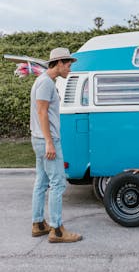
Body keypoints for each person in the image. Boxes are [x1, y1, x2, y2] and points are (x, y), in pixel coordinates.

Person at [30, 47, 82, 243]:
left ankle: (38, 223)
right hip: (46, 141)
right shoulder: (45, 83)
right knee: (58, 183)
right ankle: (57, 229)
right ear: (59, 63)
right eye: (68, 65)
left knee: (42, 182)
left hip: (40, 139)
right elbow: (42, 113)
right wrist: (50, 142)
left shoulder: (44, 81)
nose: (70, 69)